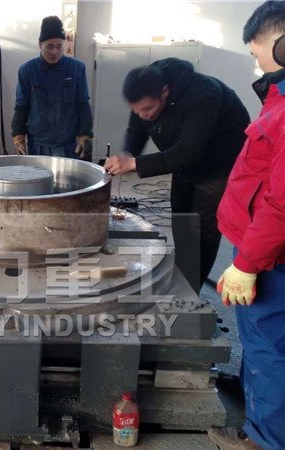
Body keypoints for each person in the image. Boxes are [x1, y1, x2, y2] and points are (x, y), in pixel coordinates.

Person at [208, 2, 285, 449]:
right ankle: (255, 414)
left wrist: (247, 263)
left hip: (268, 257)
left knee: (267, 349)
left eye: (258, 54)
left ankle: (265, 440)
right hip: (262, 248)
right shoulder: (278, 97)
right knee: (264, 345)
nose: (256, 64)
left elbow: (281, 201)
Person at [104, 58, 250, 293]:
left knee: (203, 230)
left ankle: (190, 292)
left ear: (165, 91)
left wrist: (134, 163)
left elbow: (189, 151)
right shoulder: (146, 92)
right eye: (137, 111)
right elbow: (137, 129)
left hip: (218, 166)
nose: (143, 115)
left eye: (148, 109)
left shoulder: (203, 94)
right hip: (184, 160)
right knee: (182, 217)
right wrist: (128, 152)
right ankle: (184, 271)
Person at [11, 16, 93, 160]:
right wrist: (19, 138)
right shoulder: (28, 70)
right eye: (50, 46)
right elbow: (21, 106)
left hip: (69, 146)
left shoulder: (77, 69)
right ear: (40, 44)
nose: (55, 52)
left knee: (69, 176)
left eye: (59, 46)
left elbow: (83, 104)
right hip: (38, 146)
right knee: (38, 175)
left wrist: (85, 135)